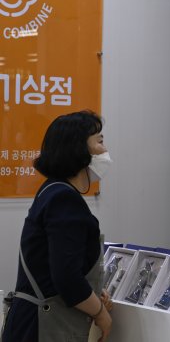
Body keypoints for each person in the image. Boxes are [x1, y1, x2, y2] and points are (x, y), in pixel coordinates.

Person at [2, 111, 114, 342]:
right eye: (100, 141)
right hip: (40, 329)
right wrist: (101, 313)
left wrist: (93, 293)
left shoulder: (52, 191)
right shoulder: (64, 199)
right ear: (79, 149)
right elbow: (67, 278)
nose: (105, 150)